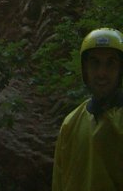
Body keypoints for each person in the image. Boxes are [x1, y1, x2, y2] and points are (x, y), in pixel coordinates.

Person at [52, 28, 123, 191]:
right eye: (94, 62)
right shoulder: (70, 124)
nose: (101, 73)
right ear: (85, 69)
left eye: (111, 63)